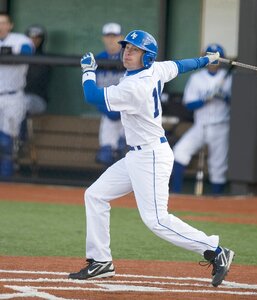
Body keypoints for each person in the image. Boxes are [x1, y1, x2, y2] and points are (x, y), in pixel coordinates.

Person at [68, 30, 234, 287]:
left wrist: (89, 71)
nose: (127, 53)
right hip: (136, 155)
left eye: (134, 50)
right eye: (126, 48)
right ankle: (101, 261)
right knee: (95, 195)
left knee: (156, 220)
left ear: (147, 57)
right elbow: (180, 65)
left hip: (151, 157)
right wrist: (205, 60)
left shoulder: (135, 86)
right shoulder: (156, 69)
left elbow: (92, 96)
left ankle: (214, 249)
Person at [171, 44, 232, 195]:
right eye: (210, 57)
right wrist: (205, 98)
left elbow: (238, 104)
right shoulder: (196, 78)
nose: (213, 61)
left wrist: (223, 96)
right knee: (179, 151)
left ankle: (217, 200)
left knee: (218, 165)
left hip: (221, 125)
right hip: (200, 125)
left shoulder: (230, 78)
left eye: (216, 57)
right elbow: (189, 104)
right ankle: (176, 194)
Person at [0, 13, 34, 177]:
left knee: (7, 140)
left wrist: (10, 55)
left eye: (4, 23)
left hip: (13, 96)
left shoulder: (20, 40)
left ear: (10, 25)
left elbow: (27, 54)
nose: (1, 26)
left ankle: (7, 179)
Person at [94, 22, 126, 166]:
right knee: (106, 154)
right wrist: (106, 109)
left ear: (121, 37)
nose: (111, 39)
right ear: (103, 38)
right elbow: (92, 90)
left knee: (126, 150)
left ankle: (133, 188)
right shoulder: (98, 59)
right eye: (108, 36)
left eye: (115, 36)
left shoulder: (130, 58)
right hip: (108, 110)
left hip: (129, 113)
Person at [24, 25, 50, 117]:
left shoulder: (46, 59)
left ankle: (22, 132)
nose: (34, 40)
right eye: (31, 37)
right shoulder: (19, 55)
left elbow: (35, 80)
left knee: (24, 102)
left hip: (37, 99)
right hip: (13, 97)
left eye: (37, 38)